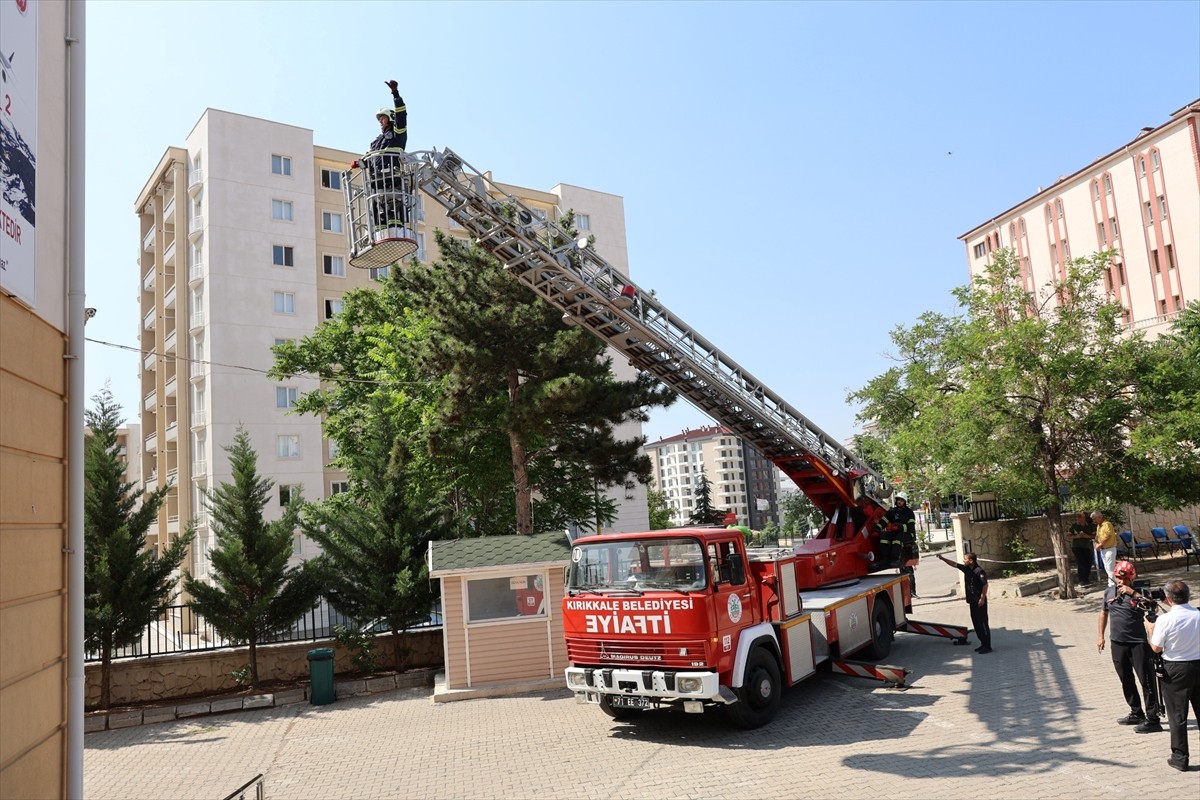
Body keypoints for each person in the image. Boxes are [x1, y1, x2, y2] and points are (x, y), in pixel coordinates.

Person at [1096, 561, 1162, 734]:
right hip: (1117, 643)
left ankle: (1153, 719)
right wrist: (1100, 636)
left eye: (1125, 579)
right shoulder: (1109, 592)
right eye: (1118, 578)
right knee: (1125, 678)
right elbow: (1103, 613)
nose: (1121, 582)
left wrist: (1133, 593)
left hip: (1138, 643)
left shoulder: (1141, 592)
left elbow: (1153, 608)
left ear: (1132, 578)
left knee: (1146, 680)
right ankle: (1136, 712)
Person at [1145, 579, 1200, 772]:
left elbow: (1156, 648)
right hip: (1198, 663)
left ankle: (1180, 757)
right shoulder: (1198, 614)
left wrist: (1150, 630)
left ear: (1168, 599)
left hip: (1175, 668)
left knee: (1177, 715)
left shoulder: (1165, 620)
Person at [357, 79, 409, 230]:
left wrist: (395, 93)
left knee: (393, 199)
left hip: (392, 175)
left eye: (383, 118)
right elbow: (368, 159)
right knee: (378, 202)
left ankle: (395, 224)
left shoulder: (398, 134)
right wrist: (358, 162)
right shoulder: (376, 142)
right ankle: (380, 226)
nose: (380, 121)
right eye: (379, 119)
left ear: (390, 118)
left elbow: (401, 115)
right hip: (377, 177)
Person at [937, 551, 991, 653]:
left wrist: (982, 598)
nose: (963, 560)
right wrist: (943, 558)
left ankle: (987, 646)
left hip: (979, 602)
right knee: (976, 624)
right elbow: (954, 564)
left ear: (971, 560)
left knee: (982, 623)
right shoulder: (967, 569)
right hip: (972, 602)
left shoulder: (979, 571)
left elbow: (985, 585)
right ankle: (982, 644)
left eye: (965, 559)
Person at [1069, 511, 1096, 585]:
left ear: (1084, 518)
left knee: (1088, 562)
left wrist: (1087, 536)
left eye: (1080, 517)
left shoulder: (1090, 526)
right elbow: (1069, 536)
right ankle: (1082, 580)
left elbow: (1094, 536)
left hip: (1086, 546)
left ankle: (1086, 579)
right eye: (1078, 517)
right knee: (1081, 562)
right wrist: (1077, 536)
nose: (1079, 519)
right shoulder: (1074, 526)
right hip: (1077, 547)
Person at [1092, 510, 1117, 587]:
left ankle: (1112, 585)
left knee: (1110, 568)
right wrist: (1096, 543)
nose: (1094, 521)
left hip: (1109, 549)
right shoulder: (1098, 526)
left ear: (1100, 517)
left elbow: (1108, 535)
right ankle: (1113, 583)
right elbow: (1097, 536)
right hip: (1103, 550)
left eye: (1095, 519)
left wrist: (1100, 544)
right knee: (1107, 568)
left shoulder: (1107, 524)